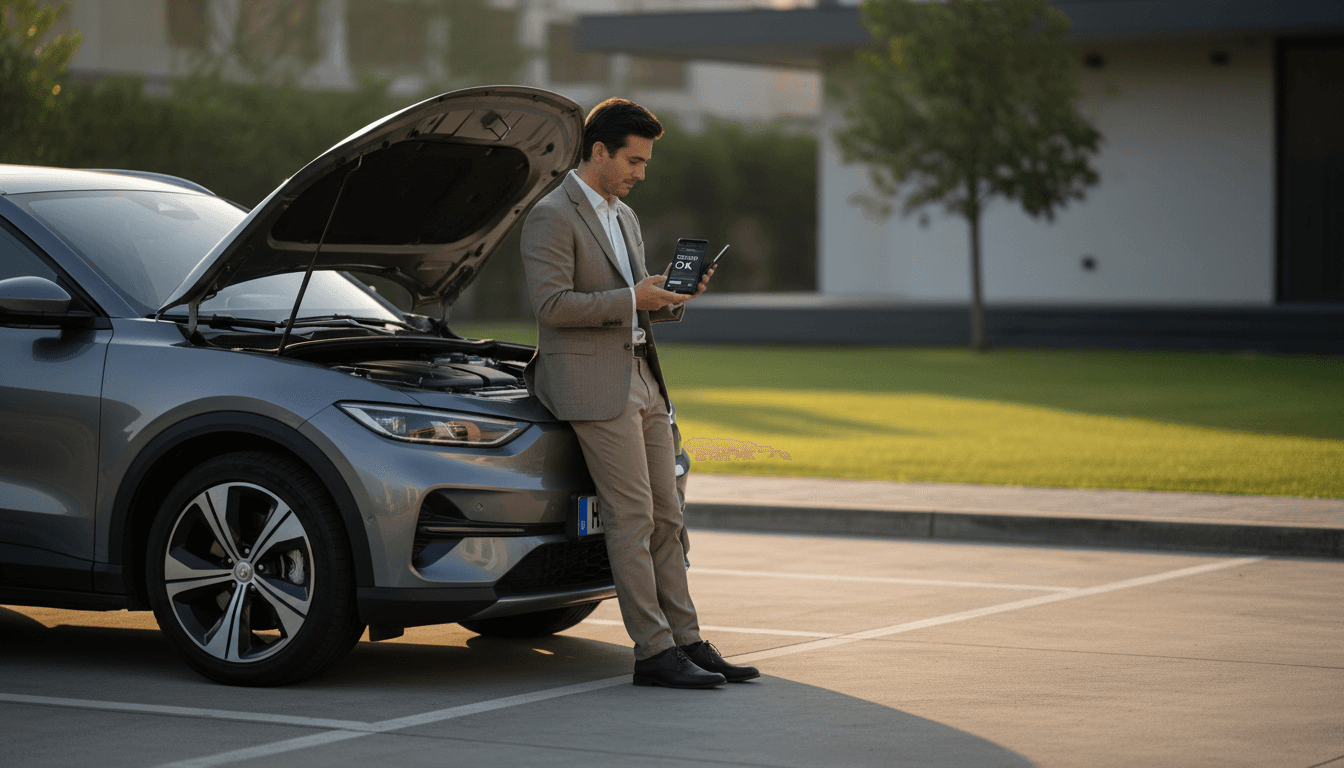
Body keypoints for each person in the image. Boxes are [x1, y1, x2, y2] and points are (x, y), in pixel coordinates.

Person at [520, 98, 758, 689]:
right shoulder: (551, 215)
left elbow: (637, 306)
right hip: (593, 385)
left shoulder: (623, 216)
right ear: (599, 151)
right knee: (632, 517)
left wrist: (671, 298)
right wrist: (634, 298)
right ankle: (653, 652)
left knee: (668, 516)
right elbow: (551, 306)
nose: (641, 173)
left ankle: (688, 640)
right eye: (634, 161)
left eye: (646, 162)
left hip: (645, 376)